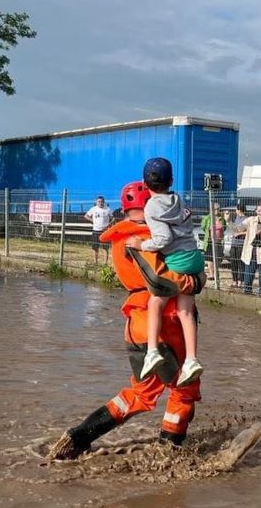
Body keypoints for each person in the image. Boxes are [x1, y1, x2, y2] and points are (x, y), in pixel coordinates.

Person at [47, 181, 204, 460]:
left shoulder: (120, 239)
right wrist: (194, 281)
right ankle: (170, 453)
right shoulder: (145, 239)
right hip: (165, 326)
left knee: (141, 394)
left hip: (135, 327)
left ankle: (78, 436)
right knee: (184, 387)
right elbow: (161, 280)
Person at [127, 157, 205, 386]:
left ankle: (152, 351)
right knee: (185, 312)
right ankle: (191, 360)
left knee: (155, 303)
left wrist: (141, 244)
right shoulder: (176, 199)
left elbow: (163, 238)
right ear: (171, 181)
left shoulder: (151, 206)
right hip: (194, 258)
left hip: (178, 261)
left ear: (144, 182)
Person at [84, 195, 114, 263]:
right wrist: (92, 220)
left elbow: (113, 218)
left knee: (105, 248)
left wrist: (109, 224)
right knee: (95, 248)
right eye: (99, 201)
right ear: (96, 202)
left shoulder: (108, 209)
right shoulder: (93, 209)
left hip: (104, 231)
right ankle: (95, 262)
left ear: (104, 202)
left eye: (101, 201)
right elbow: (86, 216)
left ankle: (105, 263)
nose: (100, 203)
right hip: (96, 230)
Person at [200, 201, 225, 281]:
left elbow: (224, 228)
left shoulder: (222, 218)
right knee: (210, 258)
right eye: (215, 209)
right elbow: (203, 227)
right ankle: (211, 274)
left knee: (217, 258)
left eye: (218, 209)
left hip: (218, 241)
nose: (217, 211)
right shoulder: (207, 218)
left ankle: (216, 272)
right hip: (210, 241)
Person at [227, 204, 248, 286]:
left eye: (236, 209)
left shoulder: (246, 219)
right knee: (233, 263)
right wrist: (228, 222)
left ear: (239, 210)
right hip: (234, 243)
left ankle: (240, 280)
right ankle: (234, 280)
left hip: (241, 244)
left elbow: (247, 231)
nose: (235, 211)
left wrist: (239, 233)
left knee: (240, 263)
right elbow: (234, 229)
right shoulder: (236, 218)